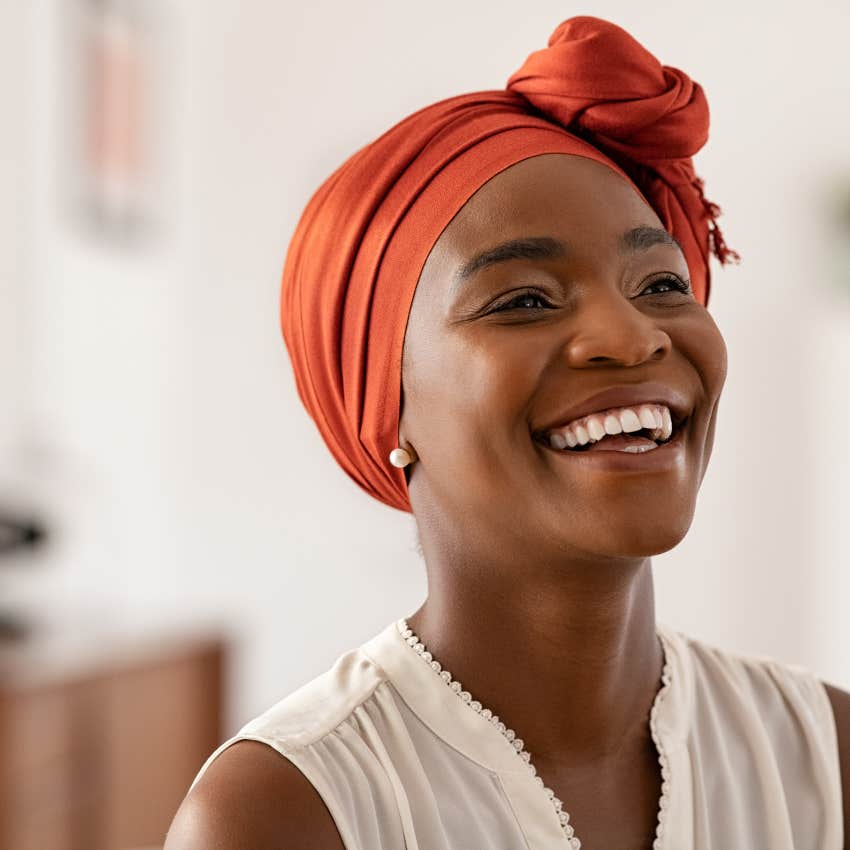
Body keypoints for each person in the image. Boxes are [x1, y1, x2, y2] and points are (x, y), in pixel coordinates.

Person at [164, 14, 850, 850]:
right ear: (389, 406)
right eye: (524, 299)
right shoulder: (288, 813)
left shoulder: (825, 759)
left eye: (663, 281)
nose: (634, 337)